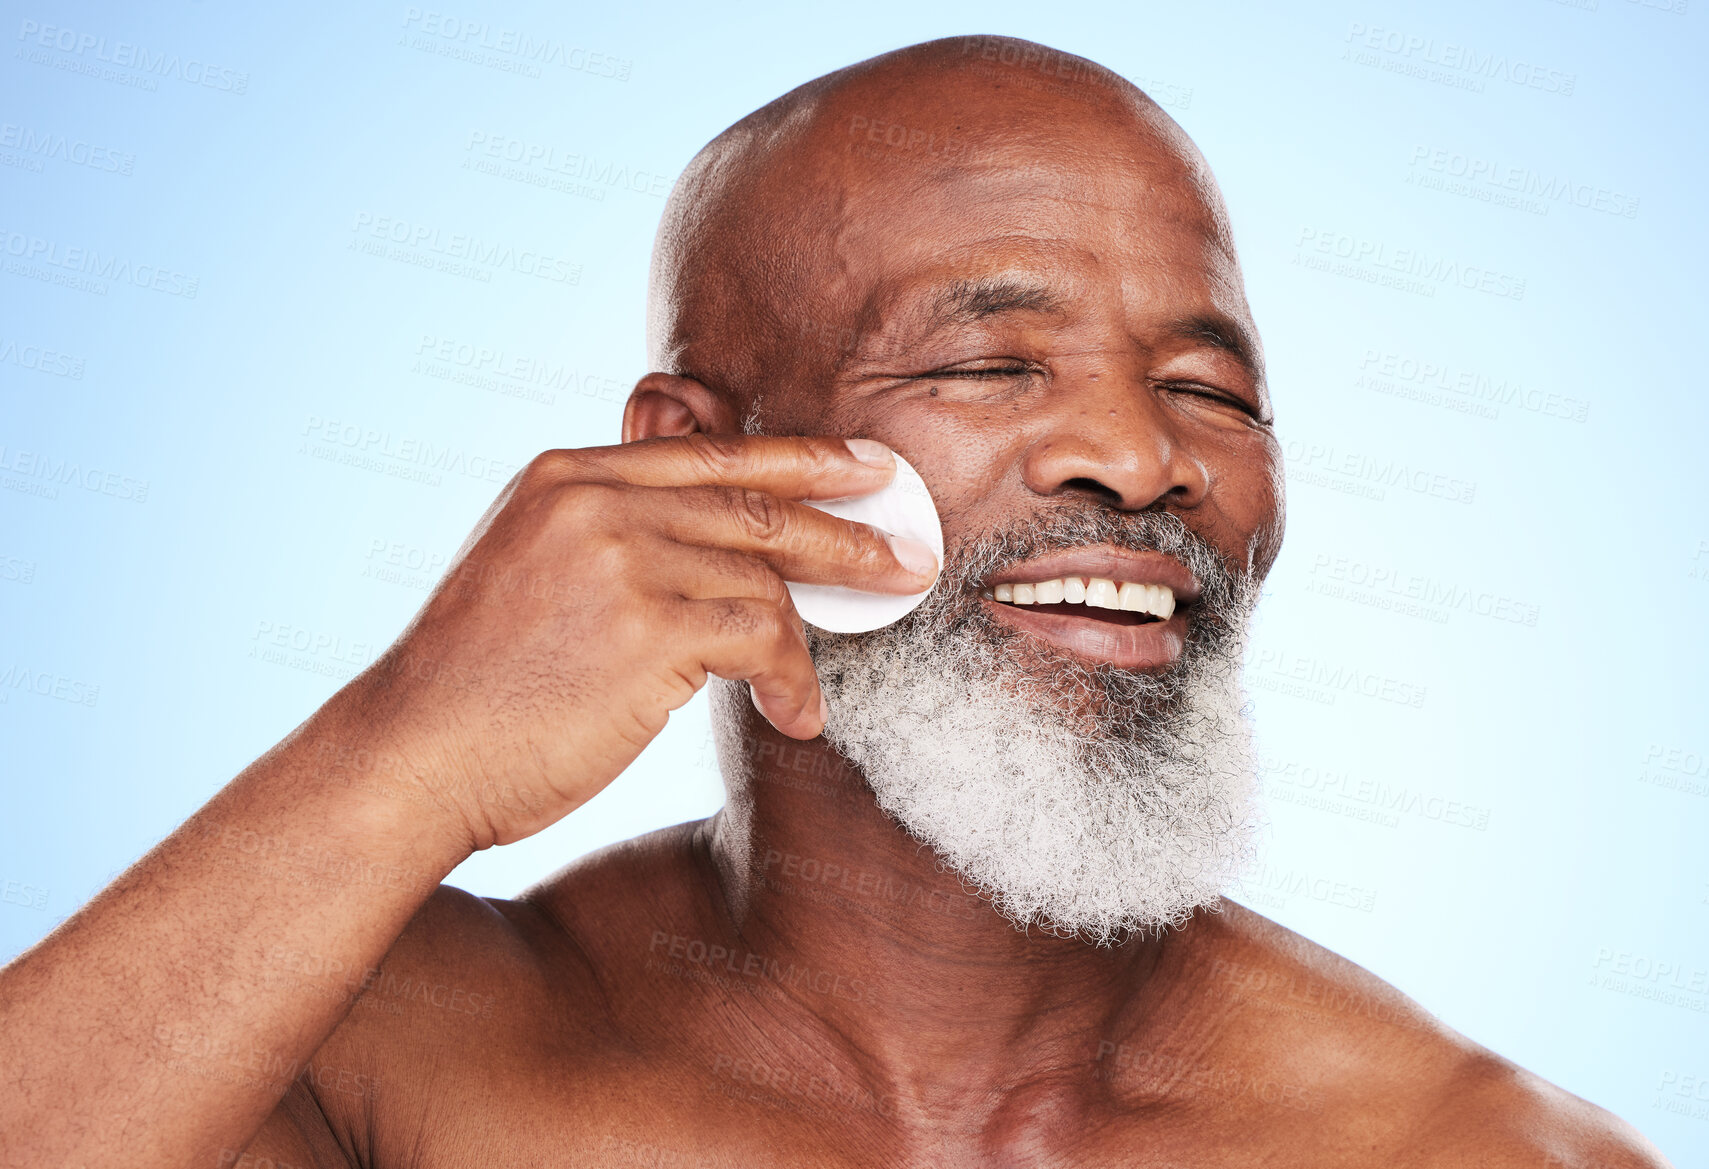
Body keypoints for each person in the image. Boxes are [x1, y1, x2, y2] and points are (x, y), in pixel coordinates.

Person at [0, 34, 1670, 1169]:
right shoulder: (379, 1057)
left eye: (1209, 389)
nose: (1138, 454)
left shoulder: (1464, 1144)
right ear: (697, 461)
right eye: (987, 359)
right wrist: (405, 750)